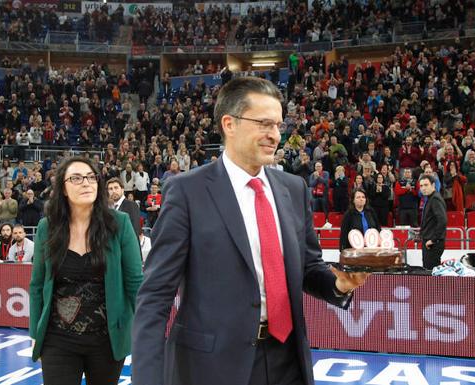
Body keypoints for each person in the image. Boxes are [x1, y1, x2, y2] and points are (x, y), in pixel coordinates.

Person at [132, 77, 369, 385]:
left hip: (288, 361)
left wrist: (339, 284)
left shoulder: (294, 188)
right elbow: (155, 296)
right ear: (229, 124)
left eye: (278, 126)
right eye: (264, 124)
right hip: (211, 367)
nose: (275, 135)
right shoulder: (186, 191)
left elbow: (309, 268)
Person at [29, 157, 143, 385]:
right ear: (63, 187)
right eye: (77, 178)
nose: (86, 183)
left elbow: (135, 283)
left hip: (107, 340)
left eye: (92, 177)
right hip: (57, 338)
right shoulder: (47, 227)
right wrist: (35, 333)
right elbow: (38, 284)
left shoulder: (119, 223)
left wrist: (144, 331)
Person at [418, 175, 447, 269]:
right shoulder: (431, 198)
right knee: (429, 271)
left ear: (433, 185)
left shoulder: (435, 199)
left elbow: (442, 220)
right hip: (429, 241)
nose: (423, 188)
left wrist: (433, 240)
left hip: (432, 243)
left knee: (431, 273)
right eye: (421, 186)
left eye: (426, 185)